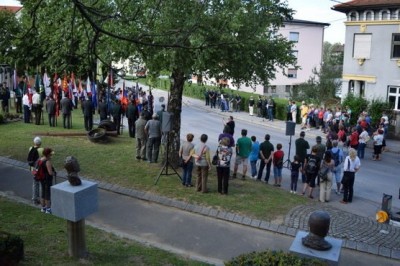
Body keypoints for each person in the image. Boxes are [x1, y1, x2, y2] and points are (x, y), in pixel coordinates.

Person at [39, 148, 56, 214]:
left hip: (42, 179)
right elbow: (50, 173)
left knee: (43, 193)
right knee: (47, 194)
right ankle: (48, 209)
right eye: (51, 154)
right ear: (48, 154)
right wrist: (53, 172)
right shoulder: (47, 162)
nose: (51, 155)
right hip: (47, 180)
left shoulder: (41, 159)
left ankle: (43, 208)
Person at [29, 137, 44, 205]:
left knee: (35, 184)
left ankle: (35, 199)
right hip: (40, 170)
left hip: (33, 169)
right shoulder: (42, 150)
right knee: (42, 184)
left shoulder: (30, 148)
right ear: (40, 143)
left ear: (34, 143)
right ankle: (42, 199)